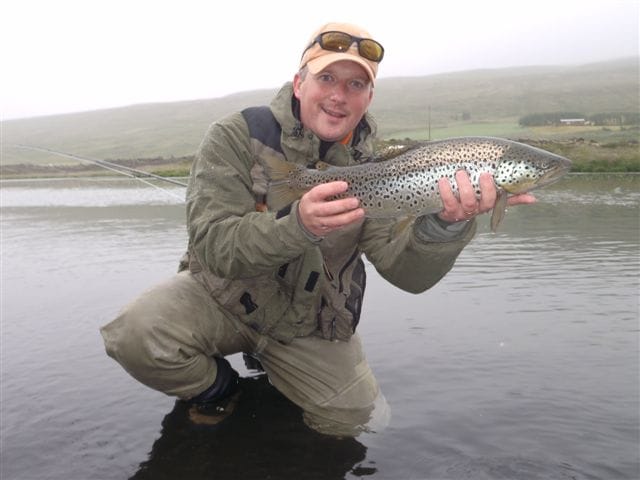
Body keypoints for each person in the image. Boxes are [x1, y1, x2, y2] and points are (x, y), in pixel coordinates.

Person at [100, 22, 535, 435]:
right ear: (298, 83)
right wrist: (298, 226)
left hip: (309, 321)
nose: (339, 96)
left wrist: (443, 227)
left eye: (355, 85)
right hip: (224, 298)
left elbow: (407, 277)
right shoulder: (235, 136)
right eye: (327, 79)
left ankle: (279, 376)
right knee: (136, 333)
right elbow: (214, 244)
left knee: (360, 423)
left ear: (368, 98)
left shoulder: (376, 168)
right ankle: (218, 389)